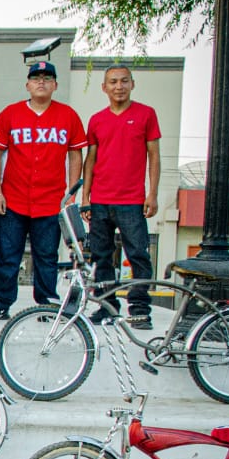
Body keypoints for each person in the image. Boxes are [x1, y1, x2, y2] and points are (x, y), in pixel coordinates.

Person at [0, 60, 86, 321]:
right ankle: (1, 304)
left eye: (47, 78)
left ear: (55, 85)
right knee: (8, 254)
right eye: (36, 77)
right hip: (13, 198)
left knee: (47, 256)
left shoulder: (68, 115)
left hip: (50, 201)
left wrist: (71, 195)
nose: (41, 82)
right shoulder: (10, 114)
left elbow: (75, 154)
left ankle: (47, 303)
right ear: (27, 84)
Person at [81, 64, 162, 329]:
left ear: (132, 84)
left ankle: (139, 309)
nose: (119, 86)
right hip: (101, 200)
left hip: (132, 201)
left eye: (124, 81)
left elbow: (154, 156)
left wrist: (152, 194)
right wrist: (85, 198)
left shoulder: (146, 114)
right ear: (104, 87)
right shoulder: (96, 120)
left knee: (138, 254)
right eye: (113, 82)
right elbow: (90, 160)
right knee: (102, 257)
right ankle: (107, 307)